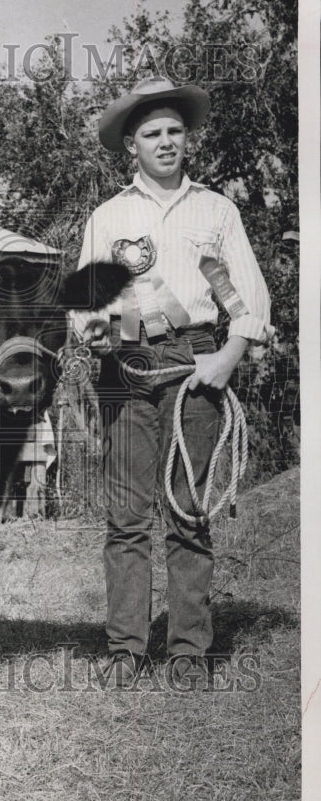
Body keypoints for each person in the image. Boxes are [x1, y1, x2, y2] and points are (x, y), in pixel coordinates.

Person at [72, 76, 272, 689]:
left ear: (187, 140)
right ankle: (126, 649)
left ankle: (188, 650)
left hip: (197, 366)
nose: (165, 142)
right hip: (126, 366)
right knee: (127, 516)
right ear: (130, 145)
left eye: (174, 132)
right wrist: (93, 330)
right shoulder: (110, 217)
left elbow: (248, 299)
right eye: (152, 133)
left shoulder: (216, 212)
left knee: (187, 512)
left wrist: (227, 358)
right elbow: (86, 303)